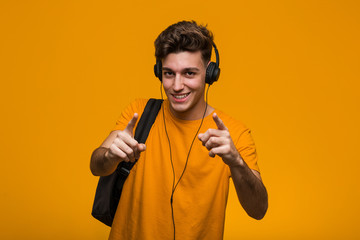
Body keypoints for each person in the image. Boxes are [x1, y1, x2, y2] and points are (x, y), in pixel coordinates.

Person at [90, 20, 268, 240]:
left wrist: (237, 162)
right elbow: (96, 166)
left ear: (210, 73)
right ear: (159, 72)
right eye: (169, 73)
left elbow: (258, 210)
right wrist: (109, 156)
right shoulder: (139, 112)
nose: (176, 85)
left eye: (189, 73)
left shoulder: (234, 133)